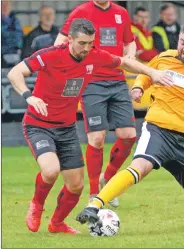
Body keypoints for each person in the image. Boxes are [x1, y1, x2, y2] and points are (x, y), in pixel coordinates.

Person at [7, 18, 173, 234]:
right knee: (51, 170)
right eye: (82, 43)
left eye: (90, 43)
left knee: (76, 186)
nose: (87, 48)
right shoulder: (50, 55)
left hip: (66, 128)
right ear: (69, 40)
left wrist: (152, 73)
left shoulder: (94, 55)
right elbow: (15, 73)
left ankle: (56, 224)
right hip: (39, 125)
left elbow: (124, 62)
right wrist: (29, 97)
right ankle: (36, 205)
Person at [76, 19, 184, 228]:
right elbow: (146, 75)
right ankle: (94, 204)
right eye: (182, 42)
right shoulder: (164, 57)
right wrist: (139, 88)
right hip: (158, 128)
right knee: (140, 167)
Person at [54, 1, 137, 208]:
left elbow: (130, 41)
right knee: (97, 138)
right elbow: (61, 42)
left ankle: (107, 178)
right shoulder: (81, 11)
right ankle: (93, 193)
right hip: (91, 82)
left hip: (118, 80)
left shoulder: (121, 13)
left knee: (129, 136)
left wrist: (130, 55)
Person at [1, 0, 23, 67]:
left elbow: (19, 38)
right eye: (2, 5)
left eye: (7, 5)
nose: (5, 7)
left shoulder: (16, 21)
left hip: (15, 54)